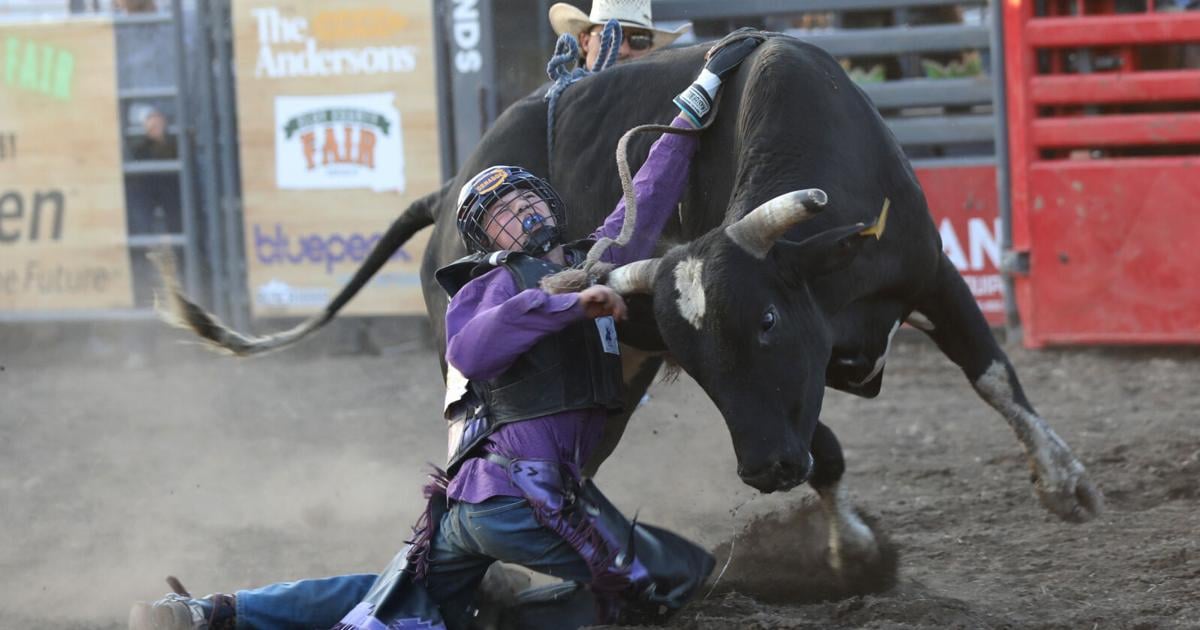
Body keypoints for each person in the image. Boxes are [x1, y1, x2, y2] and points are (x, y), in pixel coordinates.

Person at [128, 33, 764, 630]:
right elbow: (471, 348)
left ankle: (209, 614)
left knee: (405, 597)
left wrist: (698, 97)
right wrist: (567, 304)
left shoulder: (590, 257)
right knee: (675, 578)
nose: (524, 213)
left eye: (527, 200)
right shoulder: (491, 285)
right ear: (487, 242)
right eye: (505, 214)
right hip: (523, 496)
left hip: (472, 507)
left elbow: (646, 197)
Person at [548, 0, 690, 70]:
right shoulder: (554, 109)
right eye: (610, 38)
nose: (623, 50)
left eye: (638, 40)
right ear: (585, 42)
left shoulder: (665, 108)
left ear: (650, 49)